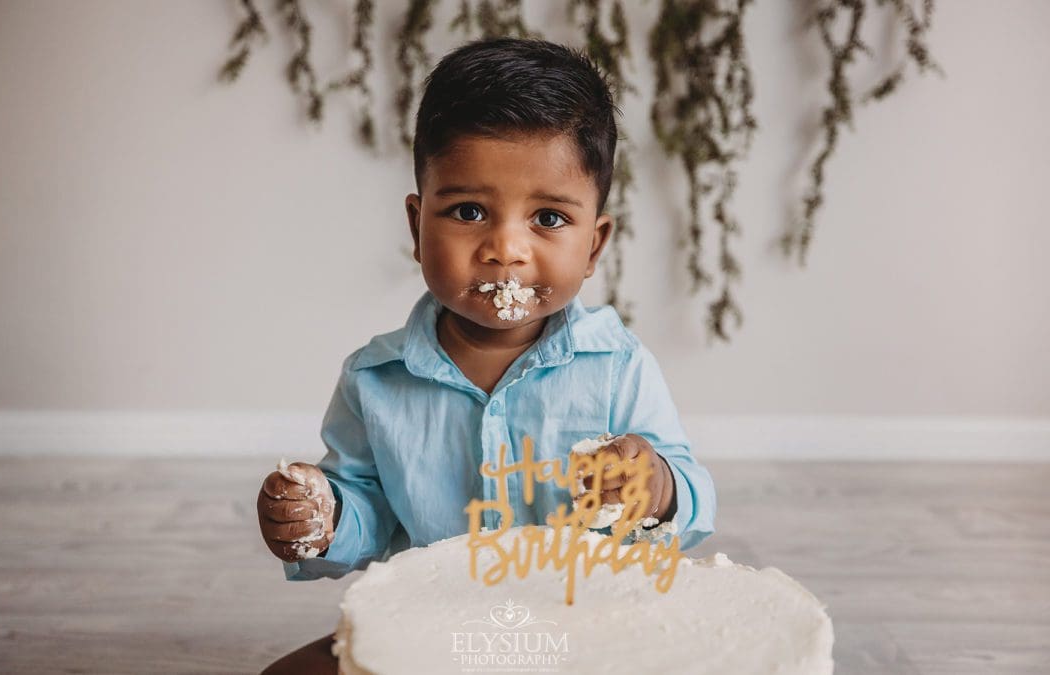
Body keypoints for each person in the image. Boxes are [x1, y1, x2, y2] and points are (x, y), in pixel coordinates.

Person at [257, 36, 717, 674]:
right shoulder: (375, 380)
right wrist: (324, 515)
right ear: (418, 228)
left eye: (549, 219)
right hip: (436, 629)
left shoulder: (616, 366)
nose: (505, 247)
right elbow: (365, 509)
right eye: (469, 211)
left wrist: (655, 485)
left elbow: (693, 503)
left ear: (594, 244)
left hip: (586, 629)